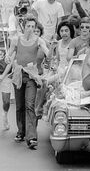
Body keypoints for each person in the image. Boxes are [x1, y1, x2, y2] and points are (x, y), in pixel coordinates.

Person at [7, 15, 49, 149]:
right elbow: (11, 54)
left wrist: (51, 51)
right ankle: (21, 132)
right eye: (28, 26)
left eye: (33, 27)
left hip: (31, 75)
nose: (30, 29)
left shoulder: (39, 40)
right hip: (19, 75)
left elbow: (47, 52)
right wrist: (9, 57)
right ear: (23, 27)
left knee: (30, 105)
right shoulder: (16, 39)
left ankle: (31, 137)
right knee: (19, 106)